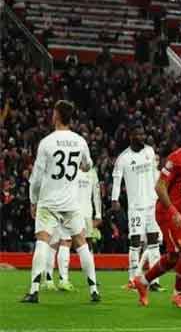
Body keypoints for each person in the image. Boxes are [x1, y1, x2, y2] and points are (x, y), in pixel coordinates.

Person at [21, 100, 100, 303]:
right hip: (72, 202)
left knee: (43, 241)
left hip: (48, 201)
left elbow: (36, 178)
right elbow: (88, 164)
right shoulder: (80, 141)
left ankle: (34, 290)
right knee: (81, 243)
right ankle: (94, 290)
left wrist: (33, 200)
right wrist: (83, 166)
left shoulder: (47, 142)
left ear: (56, 115)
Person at [132, 121, 181, 308]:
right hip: (168, 213)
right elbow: (159, 187)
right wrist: (173, 210)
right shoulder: (177, 158)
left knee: (174, 257)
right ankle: (178, 294)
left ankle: (142, 282)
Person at [111, 122, 163, 291]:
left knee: (154, 242)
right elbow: (117, 180)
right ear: (131, 136)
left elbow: (155, 174)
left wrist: (161, 193)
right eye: (138, 134)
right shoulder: (123, 158)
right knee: (135, 243)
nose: (142, 137)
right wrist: (114, 199)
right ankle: (133, 279)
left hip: (152, 204)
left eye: (143, 134)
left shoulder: (149, 151)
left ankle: (154, 280)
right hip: (136, 206)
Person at [43, 159, 102, 291]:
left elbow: (96, 194)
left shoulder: (92, 173)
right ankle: (54, 278)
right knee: (61, 242)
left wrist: (98, 214)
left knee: (83, 243)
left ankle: (88, 278)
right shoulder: (71, 170)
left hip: (85, 213)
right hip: (69, 210)